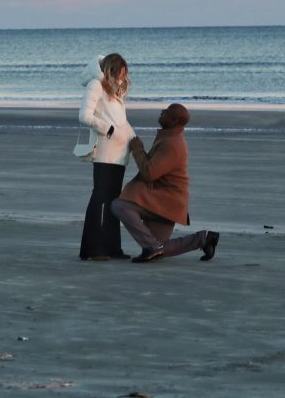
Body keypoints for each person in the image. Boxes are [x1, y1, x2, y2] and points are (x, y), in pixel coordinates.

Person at [111, 103, 219, 263]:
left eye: (167, 112)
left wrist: (137, 149)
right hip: (163, 201)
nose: (162, 111)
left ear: (174, 121)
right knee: (158, 247)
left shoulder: (173, 144)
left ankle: (153, 248)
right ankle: (204, 239)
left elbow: (149, 173)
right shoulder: (169, 137)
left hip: (164, 202)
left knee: (120, 206)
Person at [78, 53, 136, 261]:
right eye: (119, 75)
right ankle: (92, 250)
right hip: (105, 154)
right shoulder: (96, 85)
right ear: (110, 71)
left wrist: (131, 137)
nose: (121, 80)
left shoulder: (115, 91)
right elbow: (84, 116)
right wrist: (109, 130)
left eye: (123, 76)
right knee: (100, 199)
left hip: (120, 155)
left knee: (114, 202)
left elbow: (120, 120)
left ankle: (112, 248)